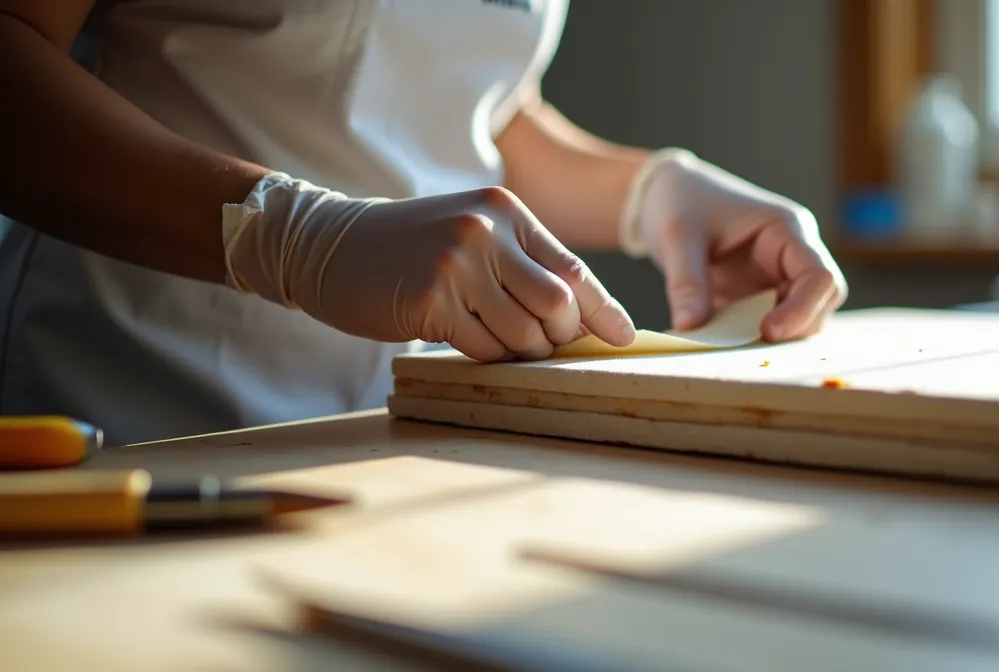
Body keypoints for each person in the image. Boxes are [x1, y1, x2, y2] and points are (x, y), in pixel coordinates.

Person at [0, 0, 848, 446]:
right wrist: (292, 236)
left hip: (390, 429)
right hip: (130, 410)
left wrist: (650, 190)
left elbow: (475, 110)